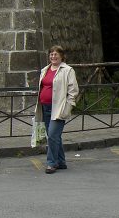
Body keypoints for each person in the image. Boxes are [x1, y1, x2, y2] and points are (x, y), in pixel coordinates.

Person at [35, 45, 79, 174]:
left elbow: (73, 90)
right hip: (45, 107)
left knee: (53, 136)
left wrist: (68, 106)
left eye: (56, 54)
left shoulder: (68, 70)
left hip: (59, 108)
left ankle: (51, 163)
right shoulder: (45, 70)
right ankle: (61, 161)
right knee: (53, 136)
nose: (53, 56)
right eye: (51, 54)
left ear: (62, 56)